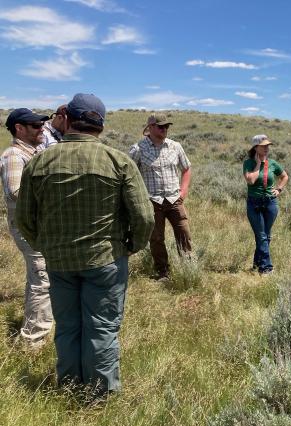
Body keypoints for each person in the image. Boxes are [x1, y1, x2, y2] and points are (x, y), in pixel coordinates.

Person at [16, 93, 154, 397]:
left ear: (68, 120)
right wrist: (133, 245)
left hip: (59, 261)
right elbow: (144, 216)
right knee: (102, 328)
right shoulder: (118, 161)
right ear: (100, 124)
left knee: (67, 327)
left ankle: (68, 386)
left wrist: (47, 245)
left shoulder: (39, 161)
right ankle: (99, 395)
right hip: (105, 259)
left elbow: (24, 218)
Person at [1, 108, 54, 349]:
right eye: (35, 125)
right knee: (42, 277)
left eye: (41, 124)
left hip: (39, 224)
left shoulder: (36, 152)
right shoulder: (14, 155)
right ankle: (33, 341)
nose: (41, 128)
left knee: (39, 275)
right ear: (19, 129)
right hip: (27, 226)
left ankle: (36, 326)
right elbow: (16, 192)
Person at [129, 114, 193, 280]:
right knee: (156, 238)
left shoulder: (175, 146)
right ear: (150, 127)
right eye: (161, 126)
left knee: (184, 233)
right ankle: (162, 272)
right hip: (152, 201)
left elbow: (186, 168)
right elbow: (129, 174)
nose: (165, 129)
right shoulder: (137, 149)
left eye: (166, 127)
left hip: (174, 199)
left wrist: (183, 191)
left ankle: (188, 268)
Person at [242, 134, 288, 274]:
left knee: (265, 236)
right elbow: (250, 181)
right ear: (256, 148)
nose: (267, 148)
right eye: (263, 146)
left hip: (270, 203)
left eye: (268, 145)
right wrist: (258, 163)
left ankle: (257, 264)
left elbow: (284, 176)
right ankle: (266, 268)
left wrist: (279, 189)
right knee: (262, 235)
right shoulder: (248, 163)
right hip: (254, 203)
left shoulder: (273, 163)